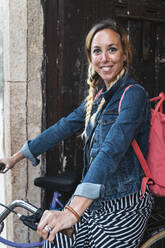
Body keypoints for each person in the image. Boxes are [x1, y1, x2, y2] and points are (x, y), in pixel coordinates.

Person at [0, 19, 154, 248]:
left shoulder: (134, 95)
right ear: (91, 58)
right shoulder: (99, 98)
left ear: (124, 54)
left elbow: (111, 150)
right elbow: (62, 127)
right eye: (97, 51)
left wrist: (72, 211)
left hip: (124, 205)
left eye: (112, 49)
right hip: (92, 203)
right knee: (55, 240)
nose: (105, 58)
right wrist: (14, 158)